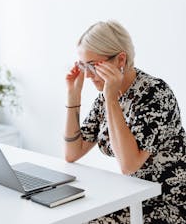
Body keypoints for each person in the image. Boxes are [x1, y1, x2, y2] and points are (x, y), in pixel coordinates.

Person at [64, 20, 186, 224]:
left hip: (169, 203)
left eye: (93, 66)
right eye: (84, 67)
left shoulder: (155, 94)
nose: (87, 76)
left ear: (120, 59)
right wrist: (73, 95)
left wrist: (111, 99)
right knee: (71, 215)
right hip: (136, 196)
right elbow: (72, 153)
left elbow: (129, 165)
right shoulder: (106, 94)